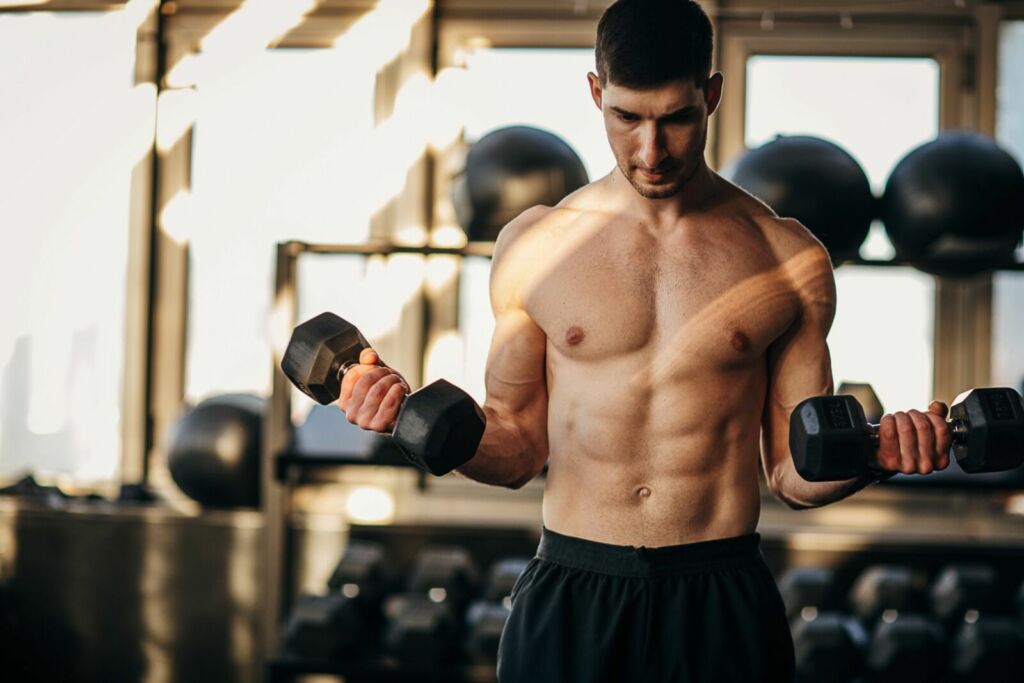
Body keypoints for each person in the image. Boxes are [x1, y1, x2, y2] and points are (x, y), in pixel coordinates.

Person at [337, 1, 952, 680]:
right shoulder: (536, 248)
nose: (651, 151)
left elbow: (792, 471)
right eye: (626, 118)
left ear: (711, 95)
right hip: (573, 583)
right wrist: (408, 418)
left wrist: (878, 453)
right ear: (596, 92)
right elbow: (515, 448)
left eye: (677, 119)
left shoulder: (789, 259)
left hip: (718, 591)